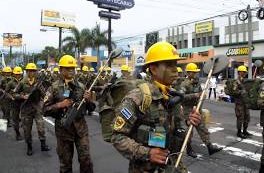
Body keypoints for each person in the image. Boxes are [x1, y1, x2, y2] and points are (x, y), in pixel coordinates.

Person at [111, 41, 201, 172]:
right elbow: (117, 137)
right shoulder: (138, 97)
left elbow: (174, 128)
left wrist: (189, 122)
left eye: (175, 64)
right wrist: (147, 153)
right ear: (153, 69)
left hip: (172, 164)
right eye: (169, 65)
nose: (175, 69)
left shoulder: (171, 95)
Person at [43, 55, 95, 173]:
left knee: (86, 160)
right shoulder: (54, 88)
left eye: (72, 68)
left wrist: (88, 100)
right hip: (63, 131)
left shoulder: (81, 86)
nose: (71, 70)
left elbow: (91, 108)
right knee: (65, 164)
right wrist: (59, 105)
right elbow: (44, 109)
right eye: (67, 68)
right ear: (61, 70)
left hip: (81, 130)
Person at [180, 63, 222, 158]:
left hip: (197, 109)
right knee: (189, 132)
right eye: (194, 72)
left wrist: (201, 100)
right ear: (189, 72)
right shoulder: (184, 84)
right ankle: (189, 149)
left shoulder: (197, 82)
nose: (195, 74)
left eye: (196, 72)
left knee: (203, 129)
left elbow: (200, 94)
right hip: (188, 111)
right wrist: (194, 95)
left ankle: (209, 146)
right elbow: (181, 97)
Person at [14, 63, 51, 156]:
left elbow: (44, 95)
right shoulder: (22, 82)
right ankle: (29, 146)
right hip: (26, 109)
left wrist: (45, 95)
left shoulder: (38, 82)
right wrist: (23, 96)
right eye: (30, 71)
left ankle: (43, 144)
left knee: (41, 127)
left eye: (33, 71)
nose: (32, 73)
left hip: (37, 107)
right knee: (27, 129)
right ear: (26, 71)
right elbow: (14, 94)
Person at [232, 65, 251, 139]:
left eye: (245, 72)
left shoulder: (245, 81)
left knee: (247, 117)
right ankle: (239, 132)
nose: (244, 73)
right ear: (239, 72)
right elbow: (234, 91)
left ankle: (245, 131)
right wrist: (241, 92)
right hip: (239, 103)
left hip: (246, 103)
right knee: (240, 118)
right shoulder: (236, 81)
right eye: (243, 72)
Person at [5, 66, 24, 140]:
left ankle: (25, 131)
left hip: (23, 103)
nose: (18, 75)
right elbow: (6, 93)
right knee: (15, 120)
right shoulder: (10, 83)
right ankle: (18, 134)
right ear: (14, 74)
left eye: (19, 74)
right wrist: (11, 97)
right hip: (14, 103)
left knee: (25, 118)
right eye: (17, 74)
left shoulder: (24, 81)